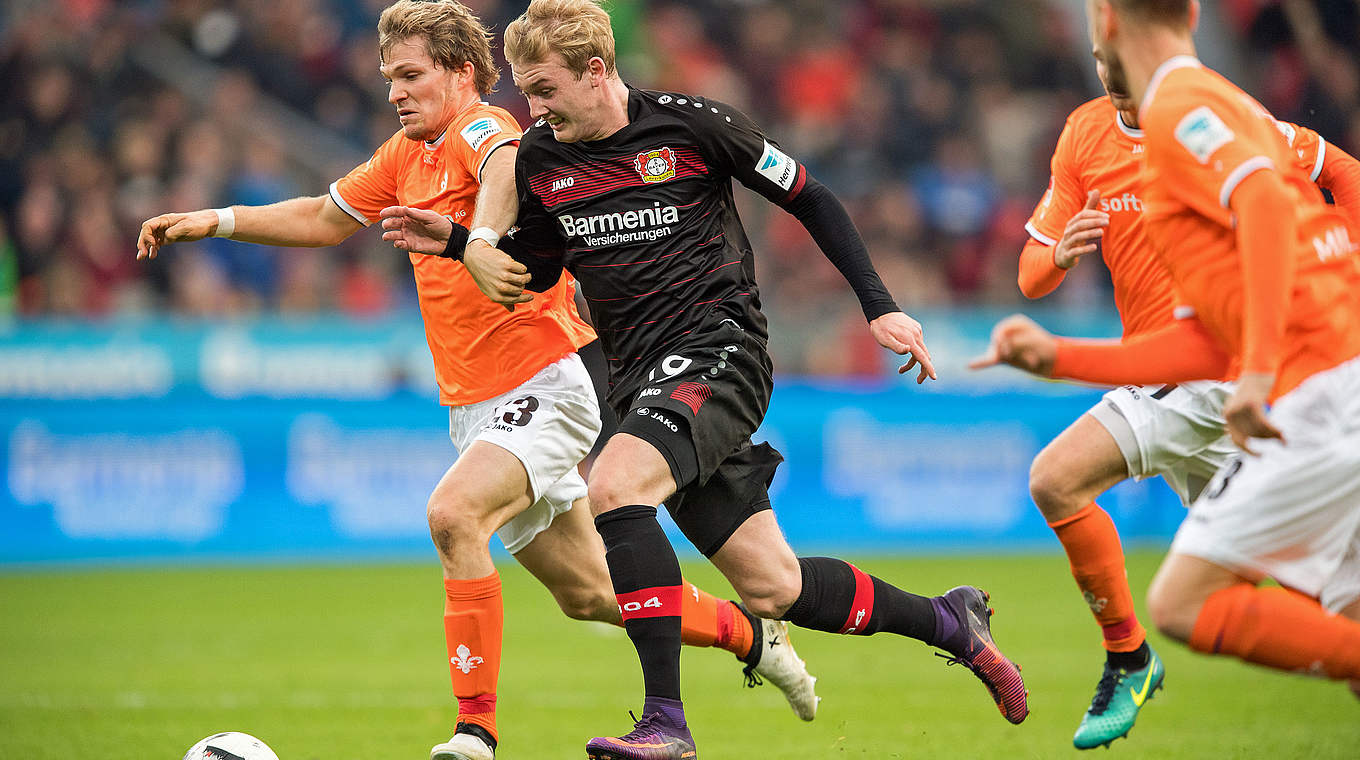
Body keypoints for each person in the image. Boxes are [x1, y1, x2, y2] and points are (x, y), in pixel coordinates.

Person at [133, 3, 818, 760]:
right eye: (389, 76)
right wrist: (215, 220)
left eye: (412, 74)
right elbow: (325, 219)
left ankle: (475, 732)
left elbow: (501, 164)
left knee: (454, 516)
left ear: (461, 73)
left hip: (551, 379)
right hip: (477, 405)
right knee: (589, 595)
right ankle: (750, 634)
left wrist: (480, 239)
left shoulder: (482, 129)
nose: (396, 90)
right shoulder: (404, 154)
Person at [381, 1, 1028, 757]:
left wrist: (879, 307)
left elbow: (810, 196)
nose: (535, 109)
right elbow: (539, 270)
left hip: (720, 351)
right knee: (774, 586)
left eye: (547, 89)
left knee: (615, 489)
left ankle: (666, 723)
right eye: (526, 92)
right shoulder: (543, 163)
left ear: (597, 71)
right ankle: (950, 620)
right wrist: (461, 243)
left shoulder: (693, 126)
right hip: (638, 379)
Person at [974, 0, 1360, 712]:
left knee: (1176, 595)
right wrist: (1057, 355)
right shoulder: (1132, 129)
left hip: (1290, 387)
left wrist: (1256, 370)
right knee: (1333, 606)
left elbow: (1279, 204)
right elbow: (1201, 337)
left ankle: (1128, 657)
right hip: (1250, 381)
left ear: (1109, 26)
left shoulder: (1185, 106)